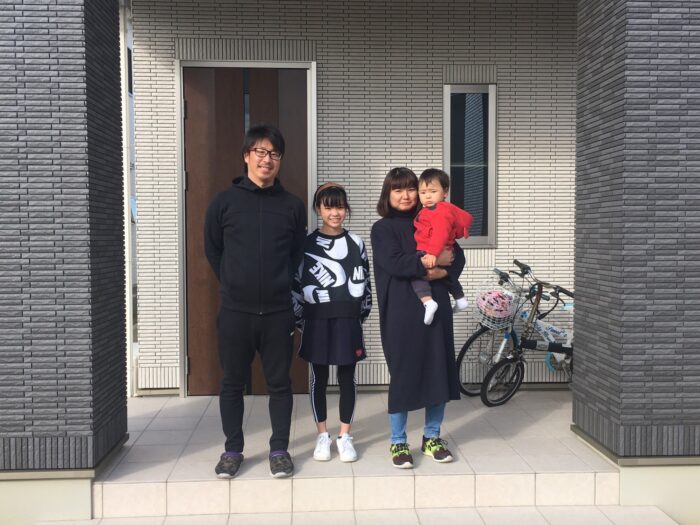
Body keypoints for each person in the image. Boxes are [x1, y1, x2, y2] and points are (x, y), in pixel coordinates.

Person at [204, 124, 306, 479]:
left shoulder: (292, 206)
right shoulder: (223, 203)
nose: (267, 159)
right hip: (236, 312)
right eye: (260, 152)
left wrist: (278, 282)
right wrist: (234, 282)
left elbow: (296, 253)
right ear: (246, 155)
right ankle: (232, 449)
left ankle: (279, 449)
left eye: (274, 154)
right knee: (232, 383)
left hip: (278, 312)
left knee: (280, 384)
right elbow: (213, 250)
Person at [370, 167, 462, 468]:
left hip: (437, 308)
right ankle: (398, 441)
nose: (406, 195)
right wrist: (432, 265)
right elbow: (395, 263)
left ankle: (432, 436)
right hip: (400, 311)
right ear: (388, 194)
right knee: (404, 374)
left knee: (438, 370)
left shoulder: (432, 217)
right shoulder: (382, 229)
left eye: (411, 188)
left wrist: (441, 270)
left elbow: (456, 256)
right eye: (398, 190)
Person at [292, 183, 372, 463]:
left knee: (348, 377)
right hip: (316, 319)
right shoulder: (306, 244)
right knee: (319, 378)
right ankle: (322, 435)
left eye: (339, 206)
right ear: (318, 209)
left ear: (346, 209)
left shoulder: (356, 242)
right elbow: (296, 282)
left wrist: (360, 315)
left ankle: (345, 436)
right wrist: (300, 319)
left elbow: (366, 282)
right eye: (328, 207)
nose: (335, 213)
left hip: (348, 319)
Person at [411, 168, 473, 325]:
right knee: (446, 276)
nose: (428, 196)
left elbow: (440, 233)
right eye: (423, 192)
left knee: (416, 273)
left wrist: (432, 253)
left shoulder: (439, 211)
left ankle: (428, 301)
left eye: (433, 191)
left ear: (445, 192)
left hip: (431, 249)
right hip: (444, 249)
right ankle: (460, 298)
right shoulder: (435, 210)